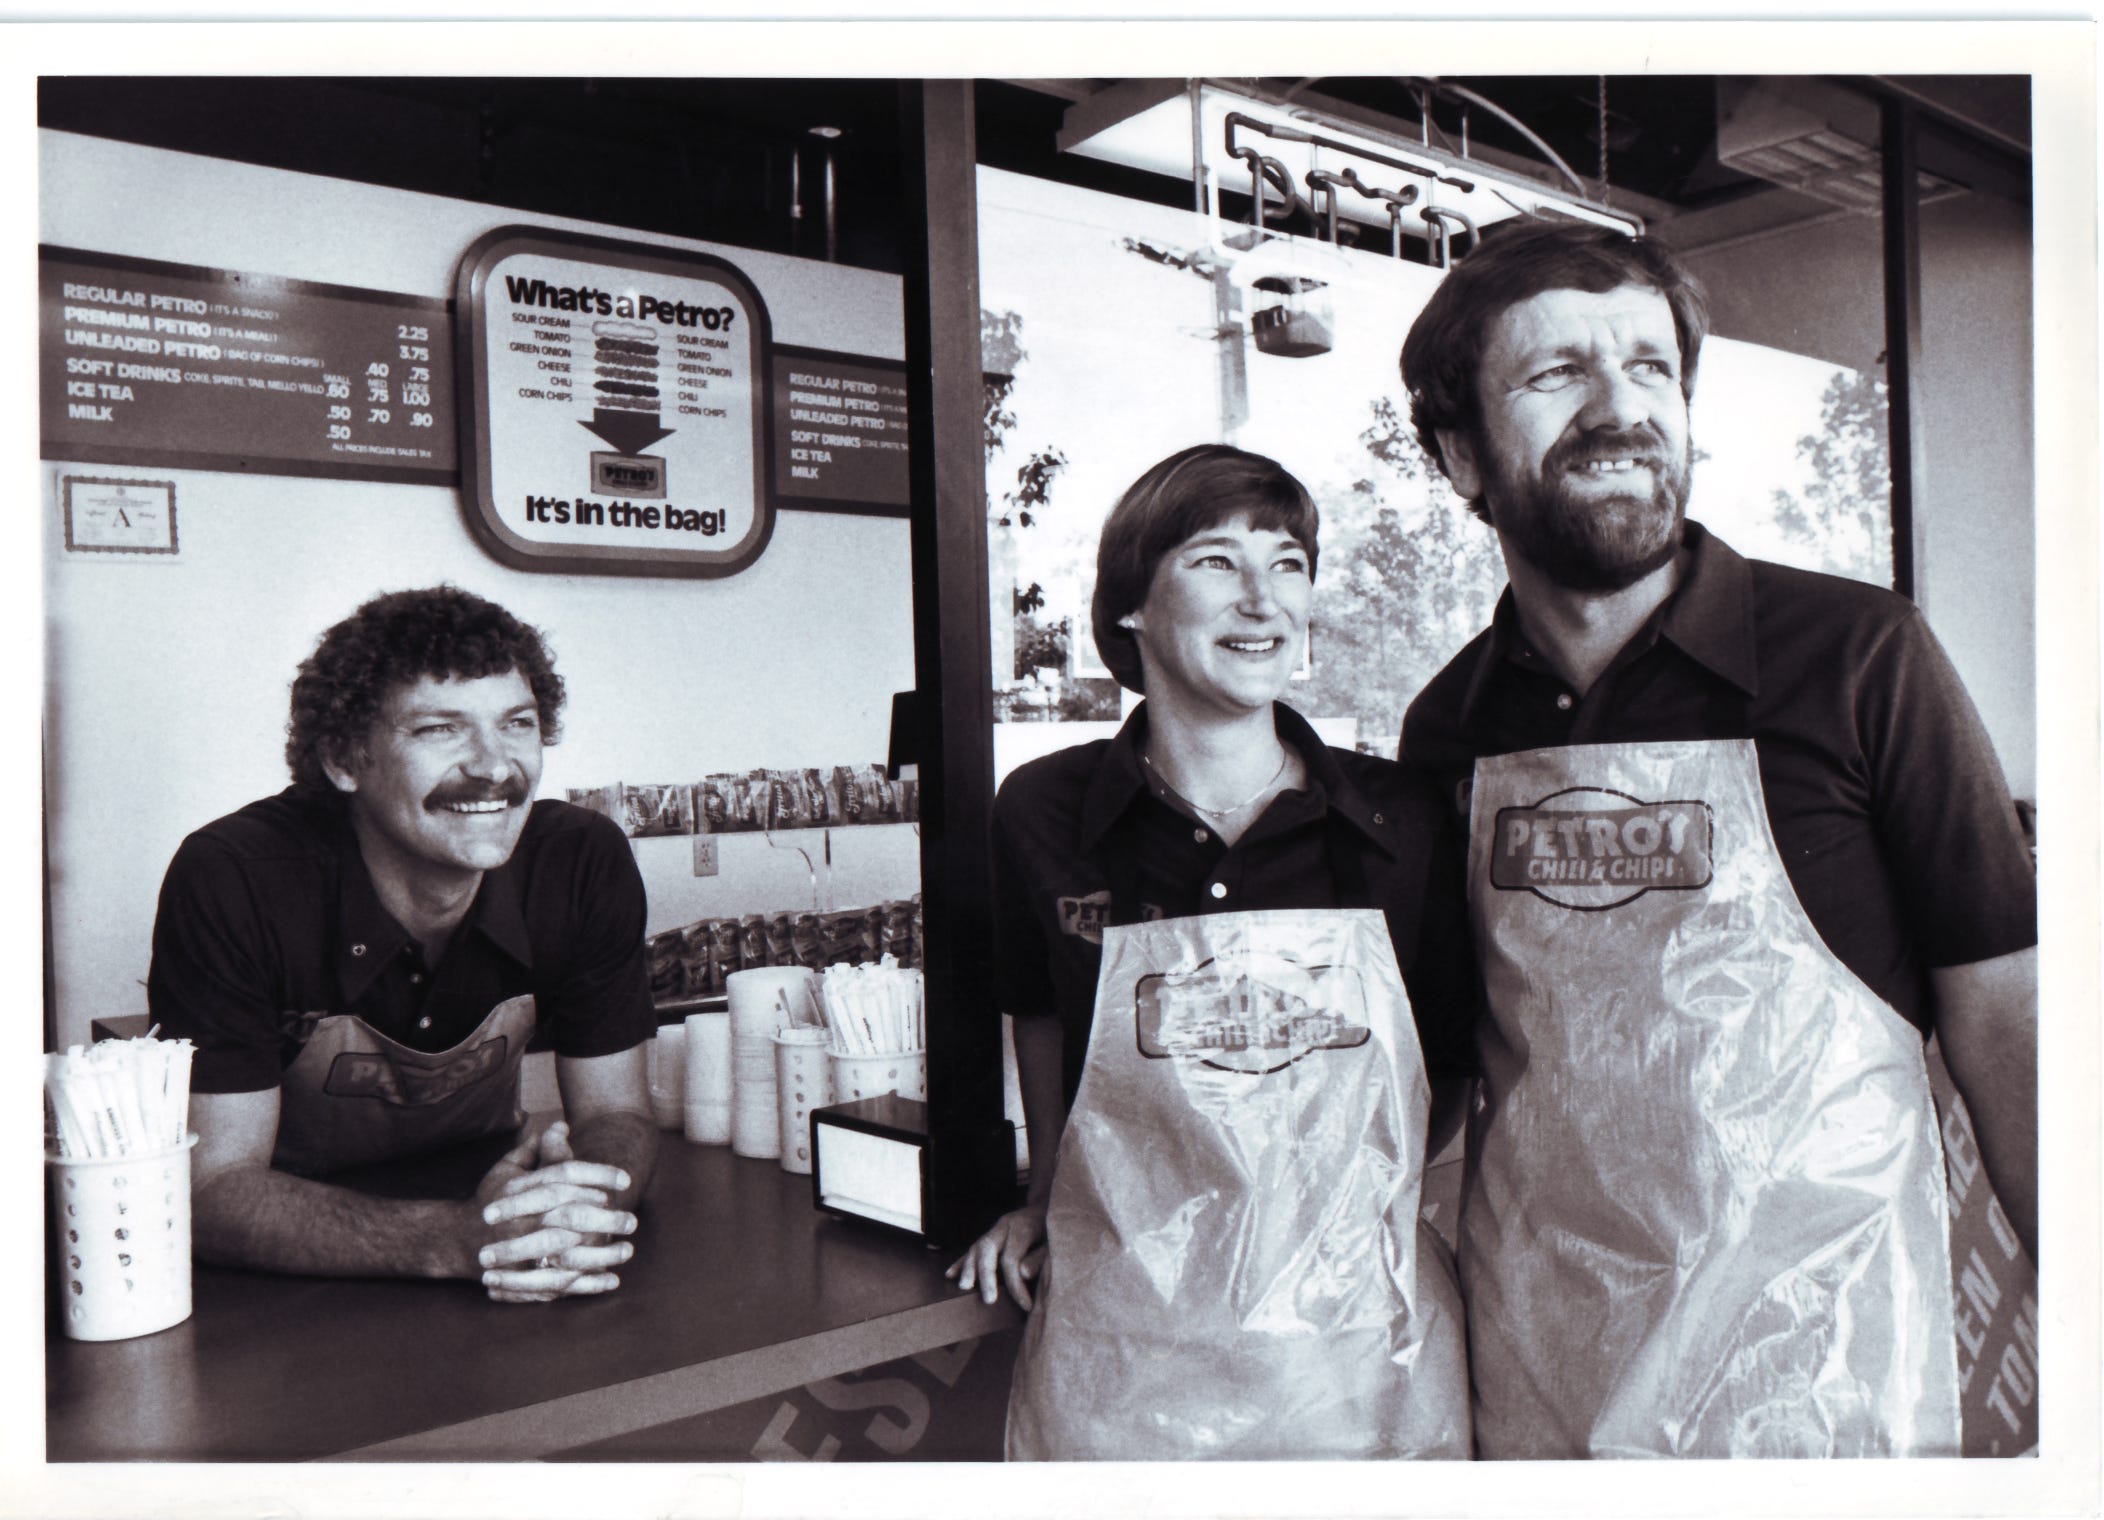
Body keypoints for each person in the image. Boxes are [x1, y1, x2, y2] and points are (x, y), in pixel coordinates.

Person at [1396, 218, 2038, 1457]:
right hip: (1543, 1379)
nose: (1619, 408)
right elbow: (1451, 1071)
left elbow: (2009, 1017)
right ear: (1459, 453)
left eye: (1649, 367)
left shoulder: (1859, 659)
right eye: (1556, 372)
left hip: (1827, 1383)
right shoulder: (1448, 729)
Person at [948, 444, 1479, 1459]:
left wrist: (1319, 1215)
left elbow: (1447, 1062)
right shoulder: (1044, 814)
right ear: (1131, 606)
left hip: (1358, 1351)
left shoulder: (1399, 820)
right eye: (1215, 561)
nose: (1263, 599)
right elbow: (1043, 1017)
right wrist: (1046, 1196)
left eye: (1288, 564)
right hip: (1127, 1351)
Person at [148, 586, 659, 1305]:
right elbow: (213, 1186)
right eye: (440, 729)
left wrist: (581, 1211)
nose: (494, 766)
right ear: (344, 759)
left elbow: (616, 1113)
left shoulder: (579, 861)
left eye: (517, 723)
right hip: (292, 1284)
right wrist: (450, 1239)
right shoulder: (235, 878)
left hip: (499, 1232)